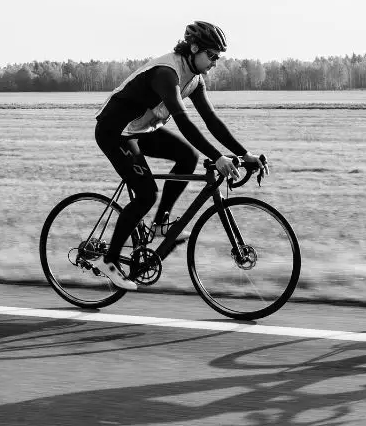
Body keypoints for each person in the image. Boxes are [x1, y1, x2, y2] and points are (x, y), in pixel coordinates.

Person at [94, 21, 264, 290]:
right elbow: (184, 121)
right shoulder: (167, 73)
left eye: (218, 57)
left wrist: (245, 154)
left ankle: (161, 223)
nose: (215, 62)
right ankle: (110, 260)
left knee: (188, 156)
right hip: (114, 131)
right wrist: (218, 157)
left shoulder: (195, 80)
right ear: (194, 48)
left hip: (139, 130)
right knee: (146, 193)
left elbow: (211, 121)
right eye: (211, 55)